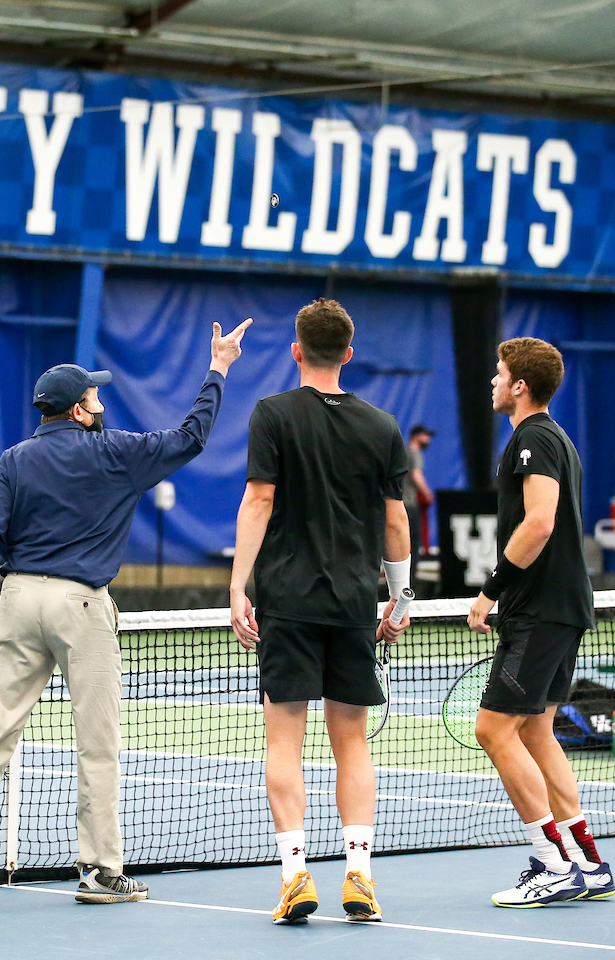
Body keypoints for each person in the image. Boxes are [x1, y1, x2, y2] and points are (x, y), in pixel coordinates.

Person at [0, 318, 251, 906]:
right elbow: (191, 436)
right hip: (81, 605)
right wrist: (218, 369)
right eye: (94, 395)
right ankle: (100, 872)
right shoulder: (116, 453)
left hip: (18, 601)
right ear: (77, 410)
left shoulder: (13, 460)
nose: (101, 401)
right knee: (97, 743)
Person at [229, 298, 411, 925]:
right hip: (356, 604)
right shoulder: (383, 425)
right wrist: (401, 596)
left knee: (284, 740)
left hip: (288, 602)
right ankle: (359, 876)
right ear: (349, 354)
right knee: (352, 743)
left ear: (296, 350)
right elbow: (395, 518)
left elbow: (258, 500)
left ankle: (293, 875)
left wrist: (237, 588)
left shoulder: (272, 413)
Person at [467, 337, 610, 907]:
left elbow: (541, 523)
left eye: (499, 374)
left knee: (492, 730)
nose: (493, 382)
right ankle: (588, 863)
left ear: (521, 385)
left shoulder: (532, 440)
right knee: (535, 730)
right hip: (560, 607)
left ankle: (553, 865)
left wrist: (490, 591)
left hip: (540, 609)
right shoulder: (553, 439)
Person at [402, 424, 434, 559]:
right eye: (426, 436)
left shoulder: (402, 452)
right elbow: (416, 475)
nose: (428, 440)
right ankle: (411, 577)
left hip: (397, 503)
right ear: (417, 436)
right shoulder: (415, 453)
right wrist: (427, 493)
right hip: (410, 503)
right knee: (413, 541)